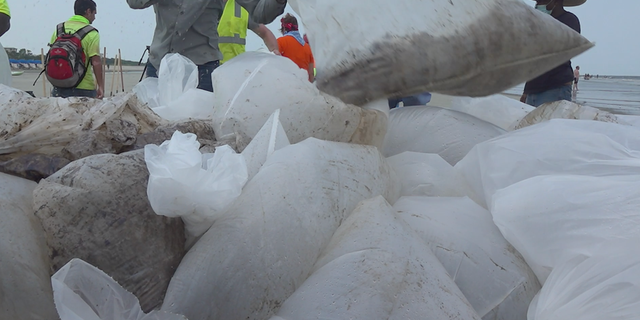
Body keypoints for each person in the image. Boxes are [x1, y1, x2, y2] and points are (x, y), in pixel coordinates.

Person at [127, 0, 286, 92]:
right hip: (160, 66)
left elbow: (262, 13)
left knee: (200, 136)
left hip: (202, 70)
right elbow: (135, 2)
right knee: (155, 131)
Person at [520, 0, 584, 107]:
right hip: (533, 89)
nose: (538, 5)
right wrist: (527, 91)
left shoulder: (569, 20)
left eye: (542, 1)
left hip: (555, 87)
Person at [50, 0, 104, 99]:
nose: (94, 17)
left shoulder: (59, 29)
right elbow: (96, 62)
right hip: (84, 88)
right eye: (94, 13)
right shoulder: (91, 33)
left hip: (58, 86)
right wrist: (101, 86)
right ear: (88, 11)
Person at [218, 0, 280, 64]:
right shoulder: (208, 6)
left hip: (236, 66)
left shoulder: (241, 6)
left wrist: (274, 51)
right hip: (211, 66)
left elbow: (265, 33)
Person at [277, 14, 314, 82]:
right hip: (304, 87)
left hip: (287, 84)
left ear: (284, 28)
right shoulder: (307, 47)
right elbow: (311, 74)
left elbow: (274, 66)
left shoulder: (280, 42)